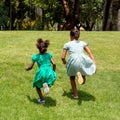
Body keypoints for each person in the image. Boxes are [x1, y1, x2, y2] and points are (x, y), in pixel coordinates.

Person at [61, 28, 96, 99]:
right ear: (78, 36)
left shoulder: (67, 44)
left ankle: (75, 95)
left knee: (72, 78)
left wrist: (64, 62)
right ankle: (82, 75)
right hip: (82, 60)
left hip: (73, 61)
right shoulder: (83, 43)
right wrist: (94, 61)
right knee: (82, 81)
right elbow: (89, 52)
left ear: (71, 36)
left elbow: (62, 57)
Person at [25, 38, 56, 104]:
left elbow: (30, 67)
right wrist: (53, 71)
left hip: (41, 72)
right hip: (49, 71)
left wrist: (27, 68)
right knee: (47, 79)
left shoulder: (36, 56)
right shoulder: (49, 55)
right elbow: (54, 63)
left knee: (37, 85)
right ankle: (46, 84)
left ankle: (42, 100)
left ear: (38, 48)